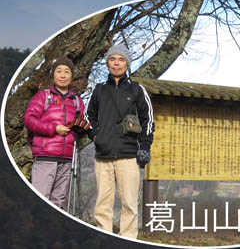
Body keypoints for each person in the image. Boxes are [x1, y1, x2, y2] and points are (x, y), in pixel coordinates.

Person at [87, 43, 154, 239]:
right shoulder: (98, 90)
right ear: (107, 63)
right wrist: (96, 136)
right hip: (103, 155)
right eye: (112, 59)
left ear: (127, 63)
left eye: (121, 59)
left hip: (129, 155)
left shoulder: (137, 89)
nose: (116, 63)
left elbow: (148, 119)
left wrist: (145, 146)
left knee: (129, 204)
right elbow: (87, 116)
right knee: (103, 204)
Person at [24, 55, 89, 209]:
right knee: (40, 200)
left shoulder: (76, 101)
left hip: (67, 159)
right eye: (59, 71)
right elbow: (29, 120)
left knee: (59, 203)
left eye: (67, 71)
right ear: (53, 74)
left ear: (71, 76)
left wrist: (82, 127)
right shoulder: (43, 96)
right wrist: (54, 129)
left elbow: (80, 122)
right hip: (45, 157)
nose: (62, 75)